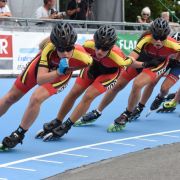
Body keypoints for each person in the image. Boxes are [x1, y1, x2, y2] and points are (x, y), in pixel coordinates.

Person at [35, 25, 159, 141]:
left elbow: (131, 62)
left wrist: (145, 64)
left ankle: (67, 126)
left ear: (110, 47)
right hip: (92, 68)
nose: (99, 51)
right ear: (94, 41)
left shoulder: (118, 57)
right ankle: (58, 120)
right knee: (74, 92)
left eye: (104, 49)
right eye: (98, 46)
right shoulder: (88, 45)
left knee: (88, 96)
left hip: (109, 73)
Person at [76, 18, 180, 132]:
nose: (159, 41)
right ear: (151, 34)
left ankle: (127, 114)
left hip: (157, 64)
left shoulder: (174, 45)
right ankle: (97, 111)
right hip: (142, 61)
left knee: (137, 84)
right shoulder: (145, 40)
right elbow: (131, 59)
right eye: (156, 37)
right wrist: (142, 64)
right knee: (117, 85)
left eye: (162, 38)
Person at [0, 22, 92, 150]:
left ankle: (19, 134)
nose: (65, 53)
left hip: (62, 74)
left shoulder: (84, 57)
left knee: (36, 98)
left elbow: (86, 64)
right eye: (61, 49)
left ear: (74, 46)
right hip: (45, 69)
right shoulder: (48, 49)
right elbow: (40, 79)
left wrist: (68, 69)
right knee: (11, 96)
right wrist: (58, 71)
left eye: (69, 49)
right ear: (55, 46)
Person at [129, 32, 180, 120]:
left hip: (178, 66)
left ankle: (160, 97)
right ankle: (140, 107)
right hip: (165, 61)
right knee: (152, 82)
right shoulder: (168, 44)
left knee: (164, 88)